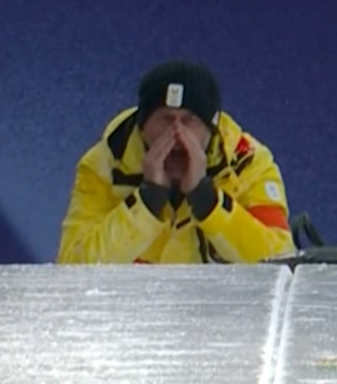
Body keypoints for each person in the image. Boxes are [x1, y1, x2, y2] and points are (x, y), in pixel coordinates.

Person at [58, 60, 295, 264]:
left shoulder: (248, 163)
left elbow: (280, 263)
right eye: (165, 120)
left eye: (190, 121)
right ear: (143, 126)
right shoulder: (104, 166)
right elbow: (73, 270)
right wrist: (147, 202)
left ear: (211, 129)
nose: (177, 134)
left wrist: (208, 202)